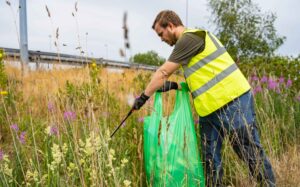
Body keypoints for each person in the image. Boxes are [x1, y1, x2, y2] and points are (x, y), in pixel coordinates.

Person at [132, 10, 276, 187]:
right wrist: (176, 86)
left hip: (234, 101)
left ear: (170, 26)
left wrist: (144, 97)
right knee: (210, 161)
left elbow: (163, 72)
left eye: (161, 34)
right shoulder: (188, 45)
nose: (161, 39)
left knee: (249, 152)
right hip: (209, 110)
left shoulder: (190, 38)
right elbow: (201, 78)